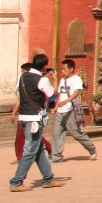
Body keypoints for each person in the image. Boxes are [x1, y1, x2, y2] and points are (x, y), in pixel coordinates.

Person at [10, 52, 64, 192]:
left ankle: (48, 178)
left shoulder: (22, 76)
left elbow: (18, 92)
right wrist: (51, 79)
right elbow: (52, 95)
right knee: (30, 151)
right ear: (45, 66)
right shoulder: (42, 80)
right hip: (34, 118)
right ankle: (16, 181)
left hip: (24, 117)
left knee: (39, 149)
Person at [52, 59, 97, 162]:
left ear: (71, 69)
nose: (62, 71)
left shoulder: (76, 79)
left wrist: (66, 101)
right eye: (62, 69)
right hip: (60, 111)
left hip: (70, 109)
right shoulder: (62, 80)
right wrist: (56, 106)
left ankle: (91, 148)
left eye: (64, 69)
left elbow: (76, 93)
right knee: (56, 133)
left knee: (75, 133)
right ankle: (56, 156)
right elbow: (60, 95)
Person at [10, 62, 53, 164]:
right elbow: (20, 99)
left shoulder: (35, 81)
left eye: (23, 72)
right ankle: (47, 147)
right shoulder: (27, 81)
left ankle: (21, 158)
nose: (22, 74)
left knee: (27, 136)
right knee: (30, 136)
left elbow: (47, 96)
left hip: (32, 114)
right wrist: (14, 112)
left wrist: (14, 112)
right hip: (26, 113)